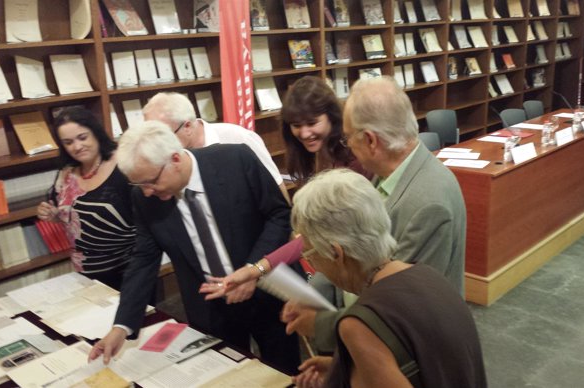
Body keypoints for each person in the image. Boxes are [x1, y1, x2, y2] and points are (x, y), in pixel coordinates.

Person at [205, 76, 467, 353]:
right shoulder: (388, 177)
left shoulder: (427, 203)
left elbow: (397, 308)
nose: (347, 144)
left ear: (370, 140)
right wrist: (305, 293)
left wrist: (321, 325)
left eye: (348, 136)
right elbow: (351, 252)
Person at [88, 121, 299, 373]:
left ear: (175, 159)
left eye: (150, 182)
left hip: (269, 291)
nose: (146, 192)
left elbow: (278, 215)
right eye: (138, 185)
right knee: (228, 375)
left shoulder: (236, 159)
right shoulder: (146, 198)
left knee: (283, 371)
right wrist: (121, 327)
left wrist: (253, 272)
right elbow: (144, 258)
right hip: (212, 305)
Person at [287, 169, 486, 388]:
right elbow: (430, 361)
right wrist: (343, 368)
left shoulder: (358, 324)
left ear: (336, 253)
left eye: (310, 255)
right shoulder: (428, 276)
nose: (315, 267)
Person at [36, 108, 134, 291]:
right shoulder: (66, 173)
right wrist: (53, 214)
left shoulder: (123, 166)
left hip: (127, 271)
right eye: (68, 142)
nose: (77, 147)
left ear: (96, 133)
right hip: (84, 272)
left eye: (82, 137)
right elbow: (69, 215)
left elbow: (145, 220)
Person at [142, 92, 291, 204]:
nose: (158, 144)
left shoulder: (238, 138)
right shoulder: (163, 159)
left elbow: (276, 187)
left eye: (163, 136)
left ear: (187, 126)